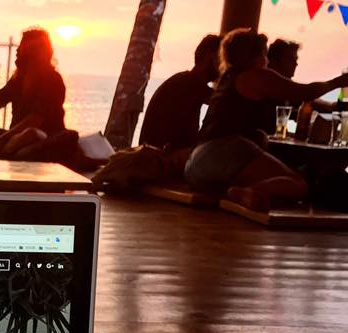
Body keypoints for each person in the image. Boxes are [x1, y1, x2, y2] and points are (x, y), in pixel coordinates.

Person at [185, 28, 348, 211]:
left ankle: (237, 191)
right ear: (255, 55)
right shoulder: (255, 76)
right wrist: (338, 82)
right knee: (298, 184)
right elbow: (306, 92)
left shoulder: (228, 79)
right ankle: (244, 192)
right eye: (264, 53)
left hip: (196, 162)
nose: (267, 60)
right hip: (224, 151)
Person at [0, 28, 67, 159]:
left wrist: (3, 138)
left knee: (30, 134)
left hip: (42, 139)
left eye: (22, 46)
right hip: (14, 138)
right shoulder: (19, 78)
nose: (17, 50)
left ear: (33, 51)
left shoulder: (51, 79)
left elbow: (35, 119)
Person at [139, 34, 220, 151]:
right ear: (210, 56)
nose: (223, 66)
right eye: (222, 59)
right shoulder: (190, 84)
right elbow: (223, 100)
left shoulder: (184, 82)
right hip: (161, 161)